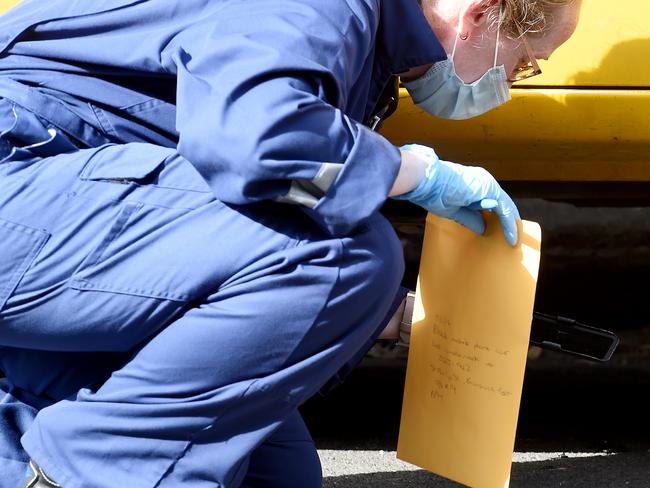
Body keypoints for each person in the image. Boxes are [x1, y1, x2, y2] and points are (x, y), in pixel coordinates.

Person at [0, 0, 581, 486]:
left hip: (55, 220)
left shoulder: (363, 40)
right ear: (482, 14)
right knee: (351, 254)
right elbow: (258, 147)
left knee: (274, 477)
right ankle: (84, 473)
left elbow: (256, 211)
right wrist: (410, 174)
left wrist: (400, 314)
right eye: (524, 63)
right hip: (24, 184)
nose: (507, 86)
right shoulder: (320, 4)